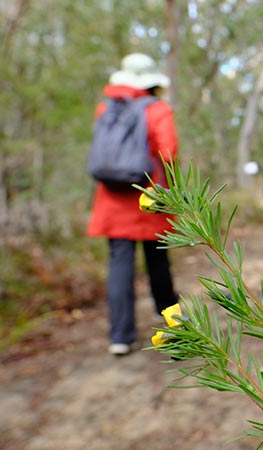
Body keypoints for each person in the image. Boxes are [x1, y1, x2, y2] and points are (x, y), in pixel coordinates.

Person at [86, 53, 179, 356]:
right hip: (148, 198)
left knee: (120, 265)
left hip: (112, 200)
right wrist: (172, 193)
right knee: (158, 263)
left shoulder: (106, 109)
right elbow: (168, 154)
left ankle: (121, 337)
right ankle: (174, 325)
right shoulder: (158, 109)